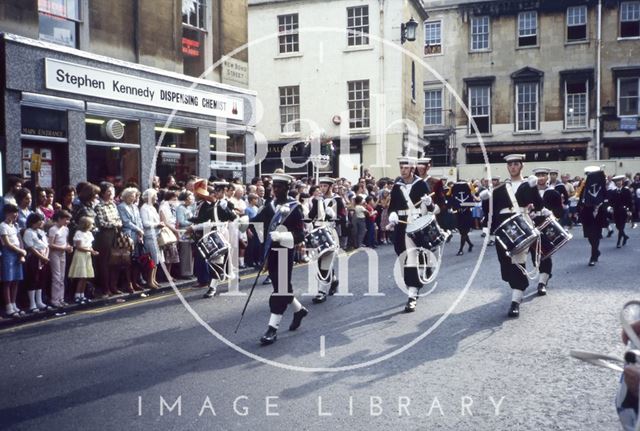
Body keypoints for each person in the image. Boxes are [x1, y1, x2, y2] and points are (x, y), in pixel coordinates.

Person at [480, 154, 541, 318]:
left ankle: (515, 301)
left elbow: (538, 204)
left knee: (518, 262)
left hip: (522, 225)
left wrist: (534, 188)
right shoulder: (501, 188)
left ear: (521, 166)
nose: (513, 167)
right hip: (503, 227)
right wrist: (485, 199)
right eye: (510, 165)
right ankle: (518, 285)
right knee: (505, 265)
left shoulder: (528, 184)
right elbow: (490, 210)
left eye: (516, 164)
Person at [252, 173, 307, 345]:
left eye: (279, 187)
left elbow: (300, 234)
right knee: (282, 286)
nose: (275, 190)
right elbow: (257, 222)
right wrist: (242, 222)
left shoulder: (293, 207)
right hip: (270, 252)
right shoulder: (269, 205)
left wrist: (283, 236)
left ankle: (272, 329)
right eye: (274, 186)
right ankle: (299, 310)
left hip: (284, 251)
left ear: (287, 188)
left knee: (280, 290)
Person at [387, 156, 435, 313]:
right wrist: (392, 215)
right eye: (401, 167)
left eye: (406, 167)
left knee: (412, 258)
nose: (403, 170)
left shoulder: (420, 184)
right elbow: (392, 206)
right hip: (401, 226)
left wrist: (429, 203)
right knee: (402, 257)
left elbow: (430, 208)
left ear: (412, 168)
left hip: (416, 225)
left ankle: (412, 295)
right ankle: (414, 283)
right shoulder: (397, 186)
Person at [187, 180, 237, 298]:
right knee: (216, 261)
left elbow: (233, 218)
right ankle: (230, 276)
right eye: (215, 191)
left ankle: (212, 288)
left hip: (223, 234)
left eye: (218, 191)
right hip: (214, 234)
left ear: (224, 191)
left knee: (217, 262)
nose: (215, 193)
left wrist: (226, 208)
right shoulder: (213, 206)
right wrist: (193, 225)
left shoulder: (228, 204)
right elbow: (205, 220)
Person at [528, 168, 563, 296]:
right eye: (538, 175)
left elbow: (560, 212)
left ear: (547, 177)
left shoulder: (553, 193)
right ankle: (545, 274)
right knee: (534, 256)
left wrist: (552, 213)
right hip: (532, 226)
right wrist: (528, 213)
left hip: (547, 228)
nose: (541, 178)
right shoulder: (529, 192)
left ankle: (542, 283)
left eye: (543, 175)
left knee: (545, 254)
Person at [308, 177, 340, 304]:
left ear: (330, 187)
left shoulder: (337, 200)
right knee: (320, 261)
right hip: (319, 232)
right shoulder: (318, 201)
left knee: (325, 263)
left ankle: (322, 291)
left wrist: (333, 215)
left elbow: (343, 218)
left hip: (330, 233)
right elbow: (310, 216)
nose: (322, 188)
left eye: (325, 186)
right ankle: (334, 280)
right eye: (320, 186)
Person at [94, 182, 124, 296]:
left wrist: (116, 223)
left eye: (112, 191)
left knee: (115, 261)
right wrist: (115, 224)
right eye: (108, 191)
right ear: (103, 193)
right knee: (104, 262)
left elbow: (118, 219)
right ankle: (105, 288)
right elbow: (102, 223)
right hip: (104, 236)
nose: (111, 194)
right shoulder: (99, 206)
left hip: (115, 234)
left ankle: (114, 286)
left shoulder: (113, 205)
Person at [577, 166, 608, 267]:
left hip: (598, 213)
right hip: (587, 213)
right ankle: (596, 251)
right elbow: (580, 199)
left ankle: (593, 256)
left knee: (596, 235)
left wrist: (601, 206)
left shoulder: (601, 186)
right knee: (590, 236)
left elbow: (605, 198)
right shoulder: (584, 186)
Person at [23, 213, 52, 313]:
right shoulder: (28, 232)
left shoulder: (41, 232)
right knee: (33, 279)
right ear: (33, 221)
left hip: (44, 257)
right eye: (40, 220)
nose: (42, 222)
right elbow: (31, 247)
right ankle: (32, 303)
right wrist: (41, 257)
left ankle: (39, 301)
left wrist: (46, 257)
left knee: (41, 279)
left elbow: (46, 245)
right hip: (34, 258)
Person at [117, 187, 145, 292]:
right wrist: (138, 230)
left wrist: (141, 232)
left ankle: (135, 281)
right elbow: (126, 222)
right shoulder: (121, 207)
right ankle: (128, 283)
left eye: (134, 196)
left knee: (136, 260)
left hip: (137, 235)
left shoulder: (135, 207)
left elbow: (139, 220)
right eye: (131, 196)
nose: (133, 198)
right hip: (128, 235)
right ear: (125, 196)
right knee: (128, 260)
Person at [1, 204, 26, 317]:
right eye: (12, 212)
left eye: (16, 212)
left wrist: (22, 252)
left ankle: (14, 303)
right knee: (8, 280)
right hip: (8, 254)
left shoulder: (15, 225)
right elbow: (7, 243)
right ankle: (8, 306)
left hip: (17, 254)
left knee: (16, 279)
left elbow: (19, 239)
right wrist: (19, 251)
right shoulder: (2, 225)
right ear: (6, 213)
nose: (15, 215)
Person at [68, 216, 99, 304]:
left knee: (85, 277)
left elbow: (89, 245)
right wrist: (90, 250)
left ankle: (82, 295)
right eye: (91, 224)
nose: (92, 225)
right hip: (81, 255)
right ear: (86, 224)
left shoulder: (89, 233)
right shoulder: (78, 233)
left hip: (87, 255)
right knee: (82, 276)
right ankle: (77, 296)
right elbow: (79, 247)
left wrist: (92, 250)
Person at [48, 210, 73, 308]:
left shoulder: (66, 229)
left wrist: (69, 247)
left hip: (63, 253)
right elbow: (50, 245)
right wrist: (64, 248)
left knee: (62, 277)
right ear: (59, 219)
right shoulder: (53, 229)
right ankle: (54, 300)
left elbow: (65, 242)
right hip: (54, 254)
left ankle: (60, 299)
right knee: (56, 277)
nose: (67, 221)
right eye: (66, 219)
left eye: (68, 219)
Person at [140, 188, 164, 289]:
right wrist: (157, 225)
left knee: (157, 259)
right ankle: (150, 281)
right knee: (152, 259)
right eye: (155, 196)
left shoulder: (153, 208)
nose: (157, 198)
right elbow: (145, 223)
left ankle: (153, 279)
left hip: (156, 235)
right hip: (150, 236)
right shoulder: (144, 208)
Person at [608, 175, 633, 248]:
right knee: (618, 226)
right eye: (617, 182)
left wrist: (630, 210)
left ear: (622, 182)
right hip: (616, 211)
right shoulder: (613, 191)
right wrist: (610, 208)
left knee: (621, 227)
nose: (618, 183)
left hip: (624, 211)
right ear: (615, 183)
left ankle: (618, 242)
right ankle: (625, 236)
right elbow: (610, 201)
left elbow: (630, 201)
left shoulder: (626, 190)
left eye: (620, 181)